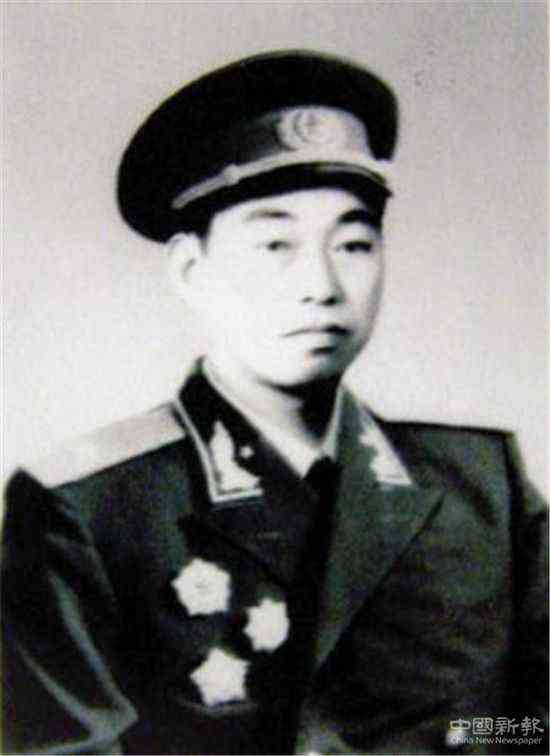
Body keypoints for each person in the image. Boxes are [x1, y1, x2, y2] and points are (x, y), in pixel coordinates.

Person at [2, 50, 548, 756]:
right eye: (275, 244)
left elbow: (536, 727)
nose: (321, 285)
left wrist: (459, 737)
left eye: (353, 244)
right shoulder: (89, 507)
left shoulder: (483, 486)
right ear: (190, 269)